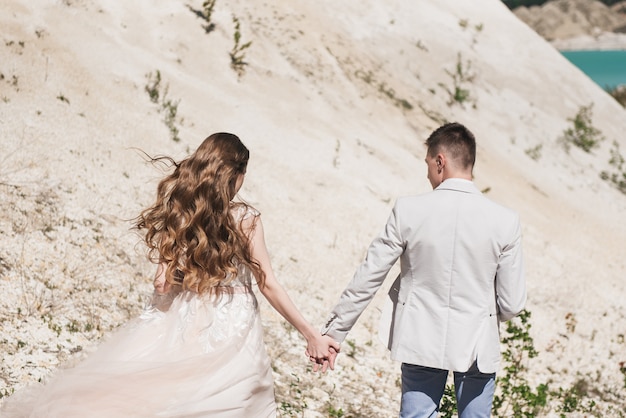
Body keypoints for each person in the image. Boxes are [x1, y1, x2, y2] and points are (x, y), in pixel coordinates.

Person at [1, 132, 338, 417]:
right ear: (235, 173)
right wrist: (310, 334)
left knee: (158, 393)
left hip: (185, 315)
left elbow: (161, 283)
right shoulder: (245, 218)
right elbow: (268, 283)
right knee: (233, 398)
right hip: (233, 325)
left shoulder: (181, 209)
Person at [319, 123, 527, 417]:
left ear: (440, 161)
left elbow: (370, 275)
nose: (427, 173)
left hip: (420, 338)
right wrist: (483, 310)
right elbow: (512, 303)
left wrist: (335, 332)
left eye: (428, 164)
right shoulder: (505, 220)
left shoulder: (408, 210)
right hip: (477, 345)